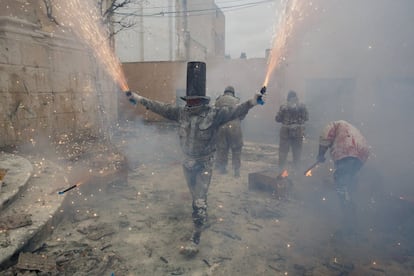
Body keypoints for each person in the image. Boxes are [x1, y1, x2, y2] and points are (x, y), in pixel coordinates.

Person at [125, 62, 264, 256]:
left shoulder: (214, 115)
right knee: (194, 196)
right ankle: (200, 212)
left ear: (201, 100)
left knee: (199, 199)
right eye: (188, 100)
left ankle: (196, 236)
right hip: (187, 163)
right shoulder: (180, 113)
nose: (190, 103)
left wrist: (252, 101)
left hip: (204, 163)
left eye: (194, 100)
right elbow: (159, 107)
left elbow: (236, 111)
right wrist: (138, 98)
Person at [316, 120, 370, 235]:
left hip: (347, 150)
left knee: (341, 185)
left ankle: (349, 224)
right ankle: (350, 208)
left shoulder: (331, 126)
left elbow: (325, 139)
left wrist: (320, 155)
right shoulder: (348, 127)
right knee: (347, 182)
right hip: (362, 153)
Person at [214, 86, 245, 177]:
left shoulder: (219, 100)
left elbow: (214, 113)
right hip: (234, 125)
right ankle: (236, 171)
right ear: (233, 93)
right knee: (236, 149)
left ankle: (222, 168)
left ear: (225, 92)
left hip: (222, 126)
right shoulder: (237, 100)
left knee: (222, 148)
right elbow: (242, 115)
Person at [275, 90, 309, 170]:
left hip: (285, 132)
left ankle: (281, 170)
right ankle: (296, 171)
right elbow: (306, 118)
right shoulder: (302, 106)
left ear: (288, 98)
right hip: (298, 131)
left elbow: (277, 119)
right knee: (297, 153)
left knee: (283, 153)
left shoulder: (284, 107)